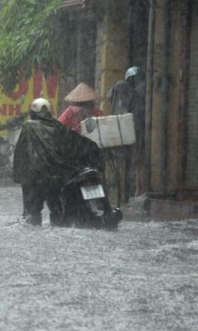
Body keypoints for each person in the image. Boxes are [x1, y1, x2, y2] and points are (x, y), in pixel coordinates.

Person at [13, 97, 103, 225]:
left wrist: (21, 177)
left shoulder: (29, 127)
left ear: (33, 113)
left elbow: (21, 156)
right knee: (58, 213)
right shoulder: (59, 127)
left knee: (31, 216)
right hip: (56, 178)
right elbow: (80, 144)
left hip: (34, 180)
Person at [108, 66, 146, 195]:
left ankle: (138, 191)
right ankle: (137, 190)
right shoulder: (137, 90)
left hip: (137, 129)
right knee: (136, 161)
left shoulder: (135, 90)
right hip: (136, 129)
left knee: (137, 160)